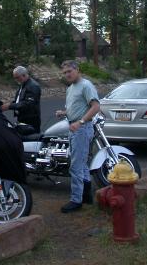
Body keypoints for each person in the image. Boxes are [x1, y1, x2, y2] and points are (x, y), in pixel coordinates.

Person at [56, 60, 100, 213]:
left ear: (77, 70)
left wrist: (80, 122)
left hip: (81, 129)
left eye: (69, 71)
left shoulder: (86, 85)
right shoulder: (71, 88)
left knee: (75, 166)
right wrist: (64, 113)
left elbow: (95, 107)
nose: (67, 74)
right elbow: (76, 107)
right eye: (65, 72)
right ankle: (86, 195)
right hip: (73, 127)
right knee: (81, 164)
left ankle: (76, 200)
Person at [1, 66, 41, 133]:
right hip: (22, 119)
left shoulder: (33, 86)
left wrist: (9, 106)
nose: (16, 80)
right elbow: (19, 100)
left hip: (31, 122)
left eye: (17, 77)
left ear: (24, 75)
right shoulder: (23, 84)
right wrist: (8, 104)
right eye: (15, 78)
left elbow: (27, 104)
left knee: (31, 141)